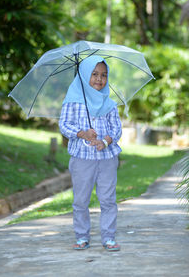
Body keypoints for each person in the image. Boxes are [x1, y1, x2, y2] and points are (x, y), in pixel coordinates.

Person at [59, 55, 122, 251]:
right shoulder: (73, 101)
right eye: (94, 74)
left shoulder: (109, 104)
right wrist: (82, 134)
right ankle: (82, 236)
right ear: (84, 75)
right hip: (82, 159)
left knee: (108, 199)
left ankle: (109, 237)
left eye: (104, 75)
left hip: (107, 159)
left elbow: (117, 129)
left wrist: (105, 141)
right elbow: (64, 125)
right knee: (80, 200)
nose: (99, 79)